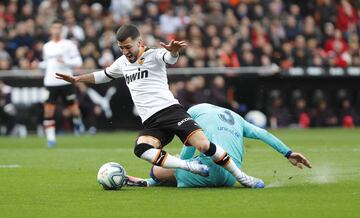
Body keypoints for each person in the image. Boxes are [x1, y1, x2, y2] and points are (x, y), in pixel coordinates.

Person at [57, 24, 267, 188]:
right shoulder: (121, 63)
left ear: (139, 42)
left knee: (203, 145)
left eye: (128, 47)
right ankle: (188, 166)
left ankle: (242, 177)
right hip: (151, 121)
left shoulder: (154, 55)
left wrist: (174, 52)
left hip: (171, 111)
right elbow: (103, 76)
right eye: (121, 48)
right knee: (141, 149)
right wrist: (76, 80)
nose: (125, 52)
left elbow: (170, 58)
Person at [126, 103, 312, 188]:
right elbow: (263, 134)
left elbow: (190, 147)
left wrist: (179, 167)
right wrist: (288, 153)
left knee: (161, 167)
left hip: (205, 174)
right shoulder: (237, 118)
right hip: (230, 178)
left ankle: (150, 182)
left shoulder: (192, 112)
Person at [38, 19, 84, 147]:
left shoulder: (69, 44)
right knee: (48, 111)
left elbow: (78, 61)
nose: (56, 30)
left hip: (65, 81)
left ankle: (78, 125)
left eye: (59, 28)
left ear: (62, 29)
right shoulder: (46, 46)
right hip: (50, 82)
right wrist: (38, 65)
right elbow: (46, 63)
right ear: (51, 30)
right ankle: (51, 139)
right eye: (54, 28)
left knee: (74, 110)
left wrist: (66, 62)